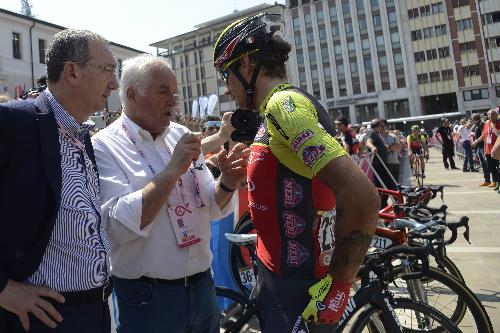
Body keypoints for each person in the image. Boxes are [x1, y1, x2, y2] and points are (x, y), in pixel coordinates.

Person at [213, 13, 379, 332]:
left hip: (297, 286)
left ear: (246, 64)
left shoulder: (283, 107)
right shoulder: (277, 108)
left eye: (225, 75)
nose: (226, 89)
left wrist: (339, 287)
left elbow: (361, 197)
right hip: (277, 275)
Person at [91, 54, 249, 333]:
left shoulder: (181, 134)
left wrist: (228, 182)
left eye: (174, 93)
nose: (174, 101)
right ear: (132, 94)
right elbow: (116, 226)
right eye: (164, 92)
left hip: (202, 288)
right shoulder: (103, 146)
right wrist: (172, 169)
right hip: (149, 301)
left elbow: (210, 207)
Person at [0, 29, 118, 333]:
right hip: (43, 319)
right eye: (107, 70)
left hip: (96, 313)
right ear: (72, 72)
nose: (114, 83)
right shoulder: (16, 123)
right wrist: (3, 290)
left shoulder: (82, 135)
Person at [366, 118, 397, 207]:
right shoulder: (371, 133)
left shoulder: (376, 134)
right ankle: (395, 204)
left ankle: (381, 205)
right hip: (378, 164)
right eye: (381, 126)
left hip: (381, 163)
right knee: (389, 184)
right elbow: (368, 142)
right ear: (379, 126)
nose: (382, 128)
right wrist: (372, 147)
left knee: (381, 185)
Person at [473, 106, 500, 192]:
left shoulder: (498, 123)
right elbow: (484, 136)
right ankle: (497, 182)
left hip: (497, 150)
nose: (490, 116)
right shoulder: (486, 124)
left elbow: (498, 134)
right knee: (491, 168)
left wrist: (493, 126)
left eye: (492, 114)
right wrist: (483, 148)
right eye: (489, 115)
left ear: (496, 115)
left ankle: (498, 184)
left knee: (498, 168)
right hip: (488, 150)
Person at [471, 113, 490, 185]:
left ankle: (494, 180)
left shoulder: (481, 124)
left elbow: (484, 135)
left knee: (487, 164)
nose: (471, 121)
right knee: (484, 165)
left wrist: (476, 141)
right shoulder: (476, 125)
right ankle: (487, 180)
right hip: (479, 147)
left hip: (483, 147)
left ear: (474, 119)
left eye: (472, 119)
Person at [381, 119, 402, 183]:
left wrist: (388, 147)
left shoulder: (393, 136)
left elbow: (399, 148)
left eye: (382, 125)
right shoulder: (377, 137)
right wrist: (392, 147)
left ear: (387, 126)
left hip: (394, 163)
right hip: (383, 164)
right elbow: (381, 149)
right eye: (379, 126)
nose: (380, 127)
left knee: (395, 184)